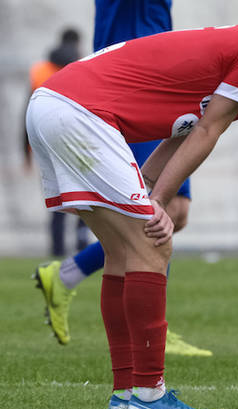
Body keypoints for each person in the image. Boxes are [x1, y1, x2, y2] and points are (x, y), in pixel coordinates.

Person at [26, 10, 238, 409]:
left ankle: (125, 397)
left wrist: (148, 189)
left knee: (122, 254)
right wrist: (157, 200)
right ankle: (149, 396)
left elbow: (182, 135)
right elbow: (208, 132)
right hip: (80, 113)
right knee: (153, 246)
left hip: (54, 106)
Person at [33, 0, 211, 358]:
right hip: (136, 86)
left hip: (166, 85)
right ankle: (146, 338)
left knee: (175, 213)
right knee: (154, 216)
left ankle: (67, 276)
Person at [24, 28, 89, 256]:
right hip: (75, 140)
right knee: (83, 193)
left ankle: (57, 249)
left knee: (57, 196)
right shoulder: (81, 65)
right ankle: (82, 243)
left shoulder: (40, 70)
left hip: (45, 141)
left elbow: (27, 111)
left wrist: (26, 153)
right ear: (77, 42)